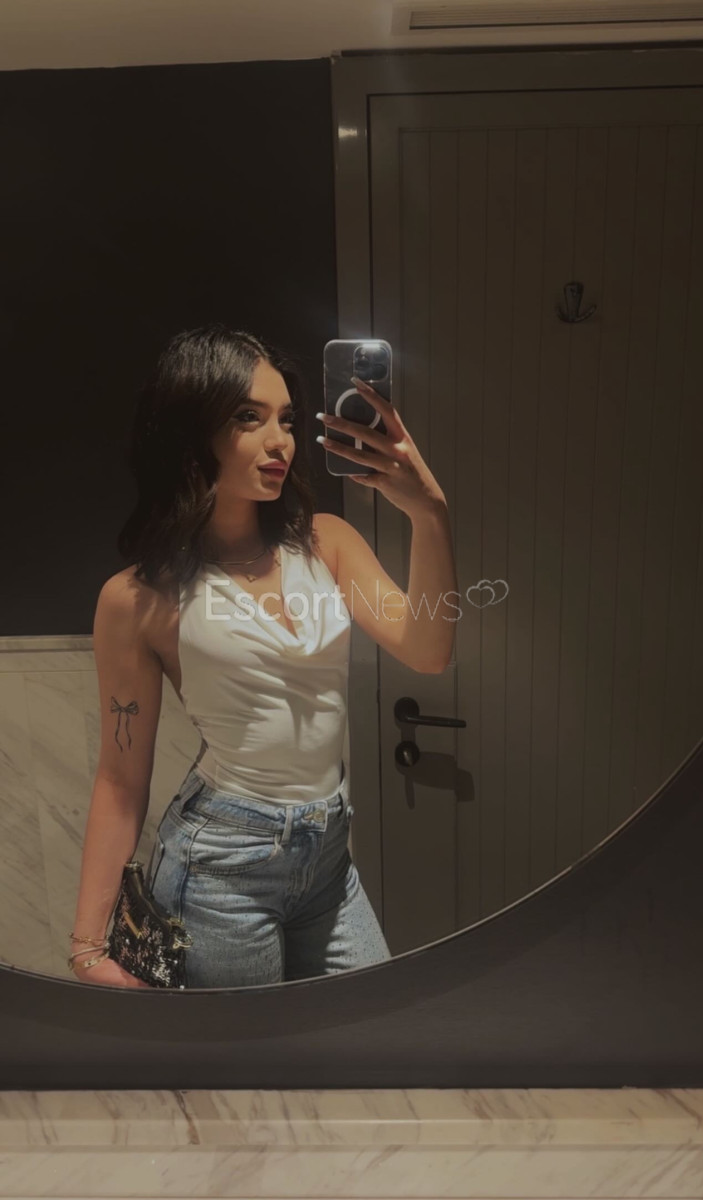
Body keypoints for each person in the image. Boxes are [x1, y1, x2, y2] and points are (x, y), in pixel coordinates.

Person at [69, 324, 457, 988]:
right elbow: (120, 778)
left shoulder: (327, 544)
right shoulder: (138, 598)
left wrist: (429, 514)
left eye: (286, 419)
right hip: (220, 866)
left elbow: (428, 651)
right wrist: (86, 944)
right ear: (192, 431)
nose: (281, 441)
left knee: (369, 1032)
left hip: (327, 858)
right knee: (251, 1051)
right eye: (249, 418)